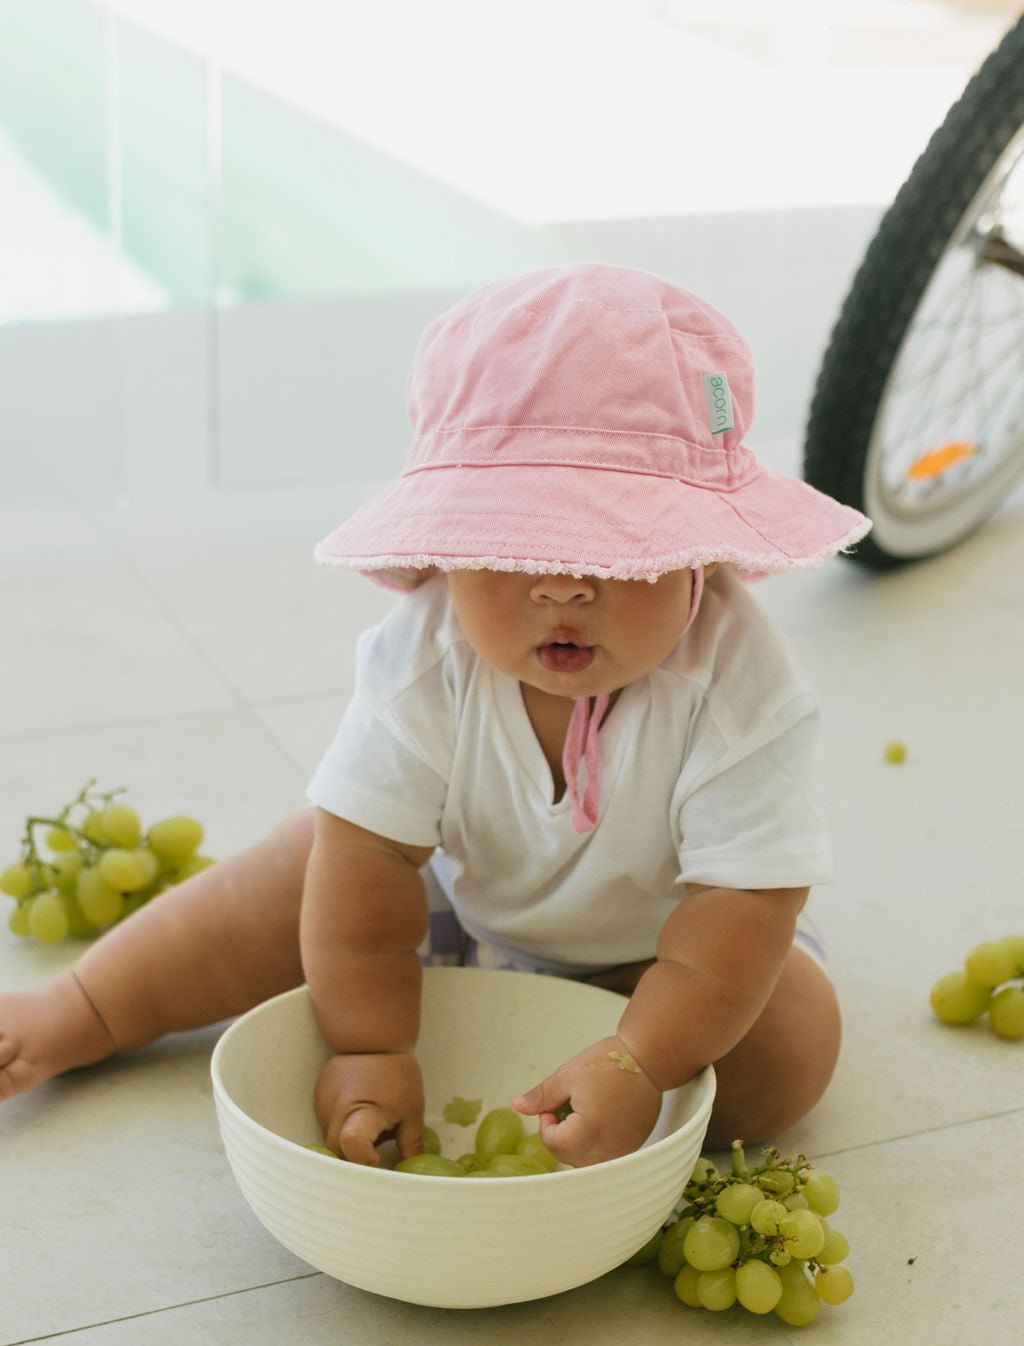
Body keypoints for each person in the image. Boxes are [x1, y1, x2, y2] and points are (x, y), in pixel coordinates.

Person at [0, 263, 870, 1167]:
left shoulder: (743, 688)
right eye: (517, 540)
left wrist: (642, 1055)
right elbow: (370, 854)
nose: (564, 584)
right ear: (448, 544)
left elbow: (745, 899)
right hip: (461, 903)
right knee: (306, 865)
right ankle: (82, 1010)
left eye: (616, 547)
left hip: (662, 952)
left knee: (791, 1048)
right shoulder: (427, 653)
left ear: (699, 550)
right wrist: (369, 1045)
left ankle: (610, 1074)